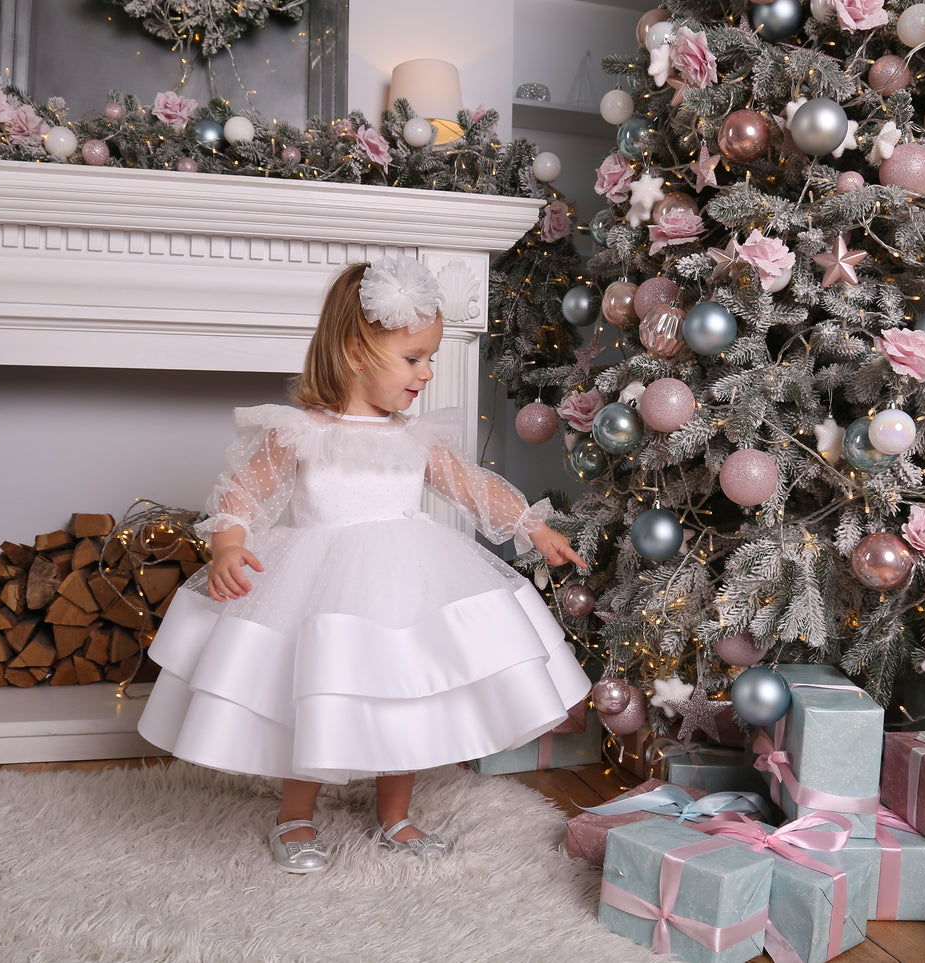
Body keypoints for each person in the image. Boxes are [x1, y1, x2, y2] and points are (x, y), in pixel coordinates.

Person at [137, 255, 591, 874]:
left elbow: (470, 486)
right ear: (355, 352)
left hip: (407, 583)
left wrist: (531, 526)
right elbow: (242, 494)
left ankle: (394, 815)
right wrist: (227, 546)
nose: (427, 372)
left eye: (430, 358)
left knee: (403, 690)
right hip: (318, 584)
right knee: (313, 695)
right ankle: (295, 815)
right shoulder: (299, 431)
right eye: (413, 358)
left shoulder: (413, 436)